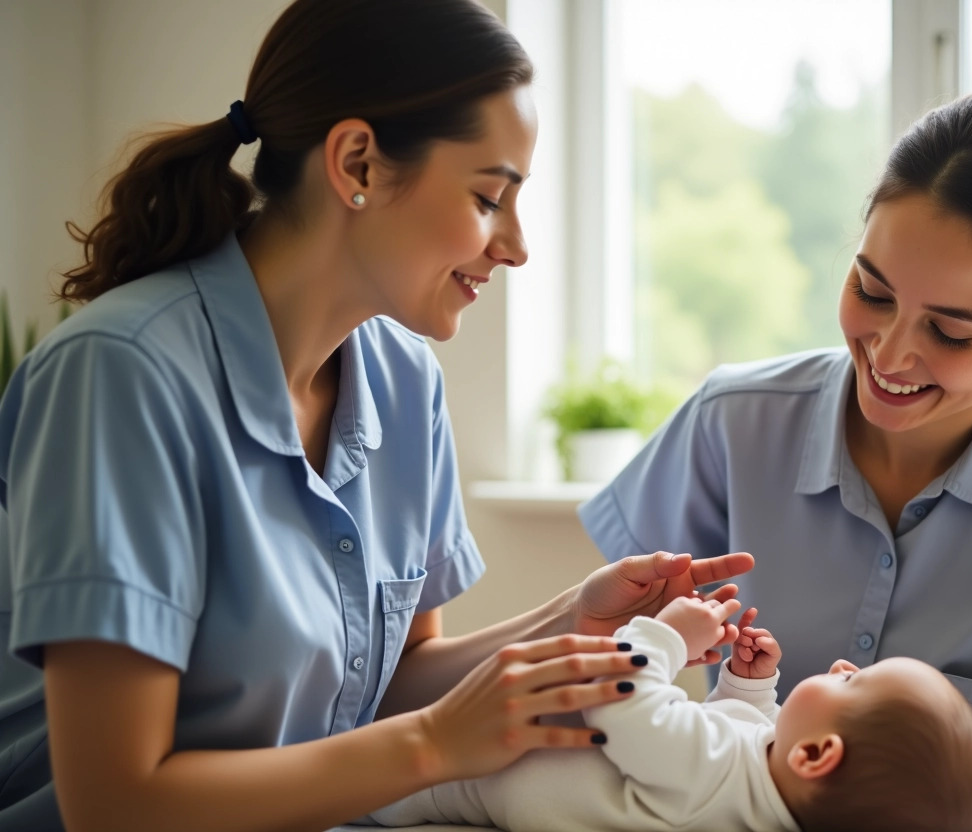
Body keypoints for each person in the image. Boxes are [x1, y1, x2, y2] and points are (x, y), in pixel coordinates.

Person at [0, 2, 753, 830]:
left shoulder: (403, 384)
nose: (517, 246)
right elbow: (116, 804)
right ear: (357, 161)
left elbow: (390, 681)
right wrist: (434, 745)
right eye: (489, 197)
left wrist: (576, 619)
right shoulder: (121, 376)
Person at [579, 91, 972, 809]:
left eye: (952, 332)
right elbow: (604, 675)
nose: (892, 355)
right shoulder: (730, 423)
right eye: (872, 292)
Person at [368, 600, 972, 832]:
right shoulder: (759, 782)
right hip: (491, 756)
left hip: (462, 783)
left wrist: (667, 636)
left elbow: (622, 700)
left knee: (368, 779)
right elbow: (730, 726)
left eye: (855, 682)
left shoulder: (710, 779)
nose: (842, 666)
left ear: (816, 755)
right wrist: (748, 687)